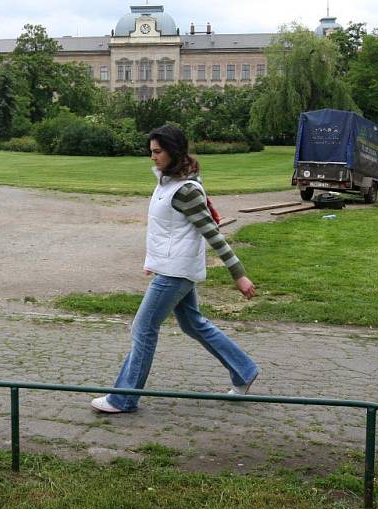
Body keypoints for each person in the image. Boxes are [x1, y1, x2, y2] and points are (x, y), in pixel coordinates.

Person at [91, 124, 260, 413]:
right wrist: (152, 263)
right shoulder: (167, 182)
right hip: (170, 267)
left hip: (175, 272)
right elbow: (166, 230)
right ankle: (244, 371)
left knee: (143, 327)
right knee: (191, 323)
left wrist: (239, 275)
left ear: (173, 151)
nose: (152, 157)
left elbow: (213, 234)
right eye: (151, 152)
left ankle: (124, 397)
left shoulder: (185, 190)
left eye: (157, 152)